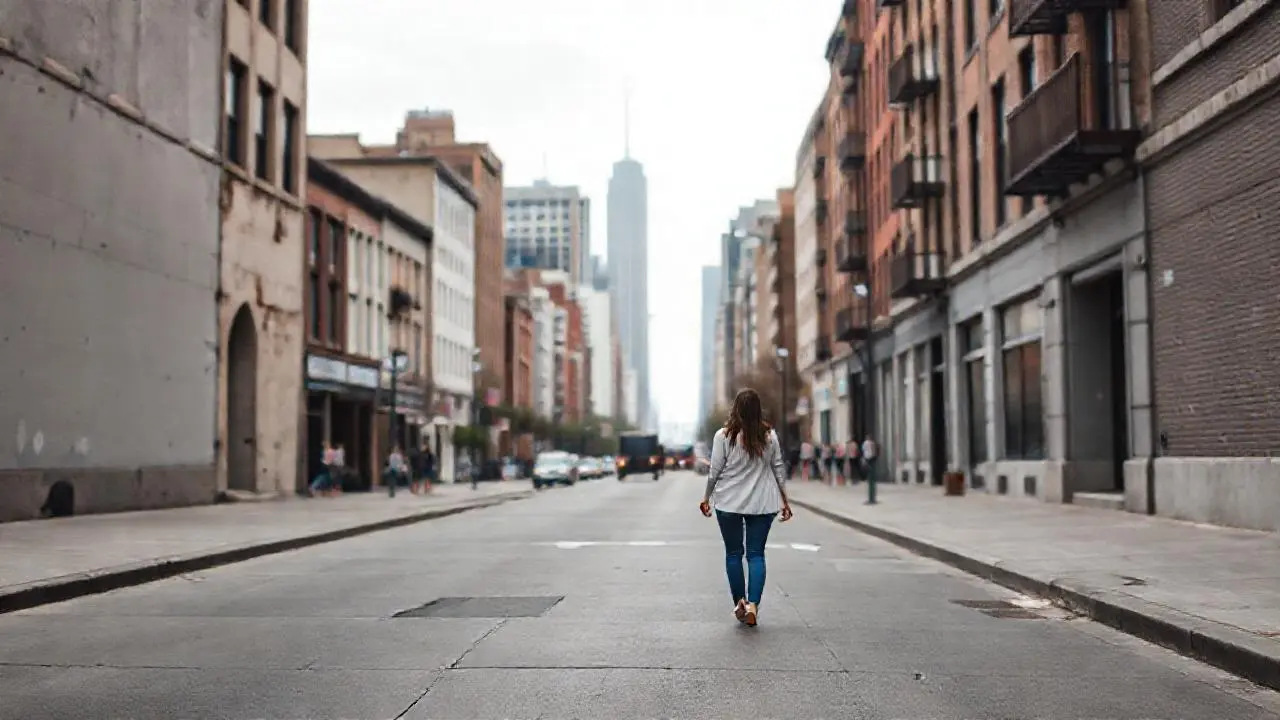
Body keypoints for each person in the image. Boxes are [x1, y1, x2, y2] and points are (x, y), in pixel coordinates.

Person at [699, 388, 793, 627]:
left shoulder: (724, 436)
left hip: (729, 502)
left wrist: (707, 497)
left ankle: (739, 602)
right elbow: (778, 468)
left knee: (733, 553)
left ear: (736, 409)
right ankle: (753, 605)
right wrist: (785, 500)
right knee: (756, 554)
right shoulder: (769, 436)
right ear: (757, 409)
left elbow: (715, 470)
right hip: (763, 503)